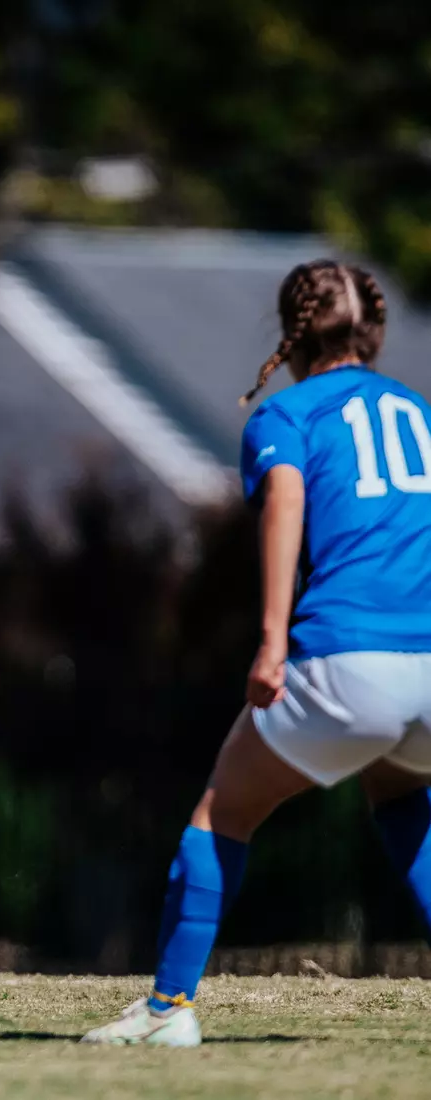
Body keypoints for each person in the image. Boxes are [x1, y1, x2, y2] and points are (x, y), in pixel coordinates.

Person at [84, 261, 431, 1047]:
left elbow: (286, 500)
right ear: (371, 331)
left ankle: (169, 1010)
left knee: (223, 811)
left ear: (292, 333)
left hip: (349, 658)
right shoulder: (418, 411)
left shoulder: (289, 415)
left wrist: (273, 638)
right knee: (401, 796)